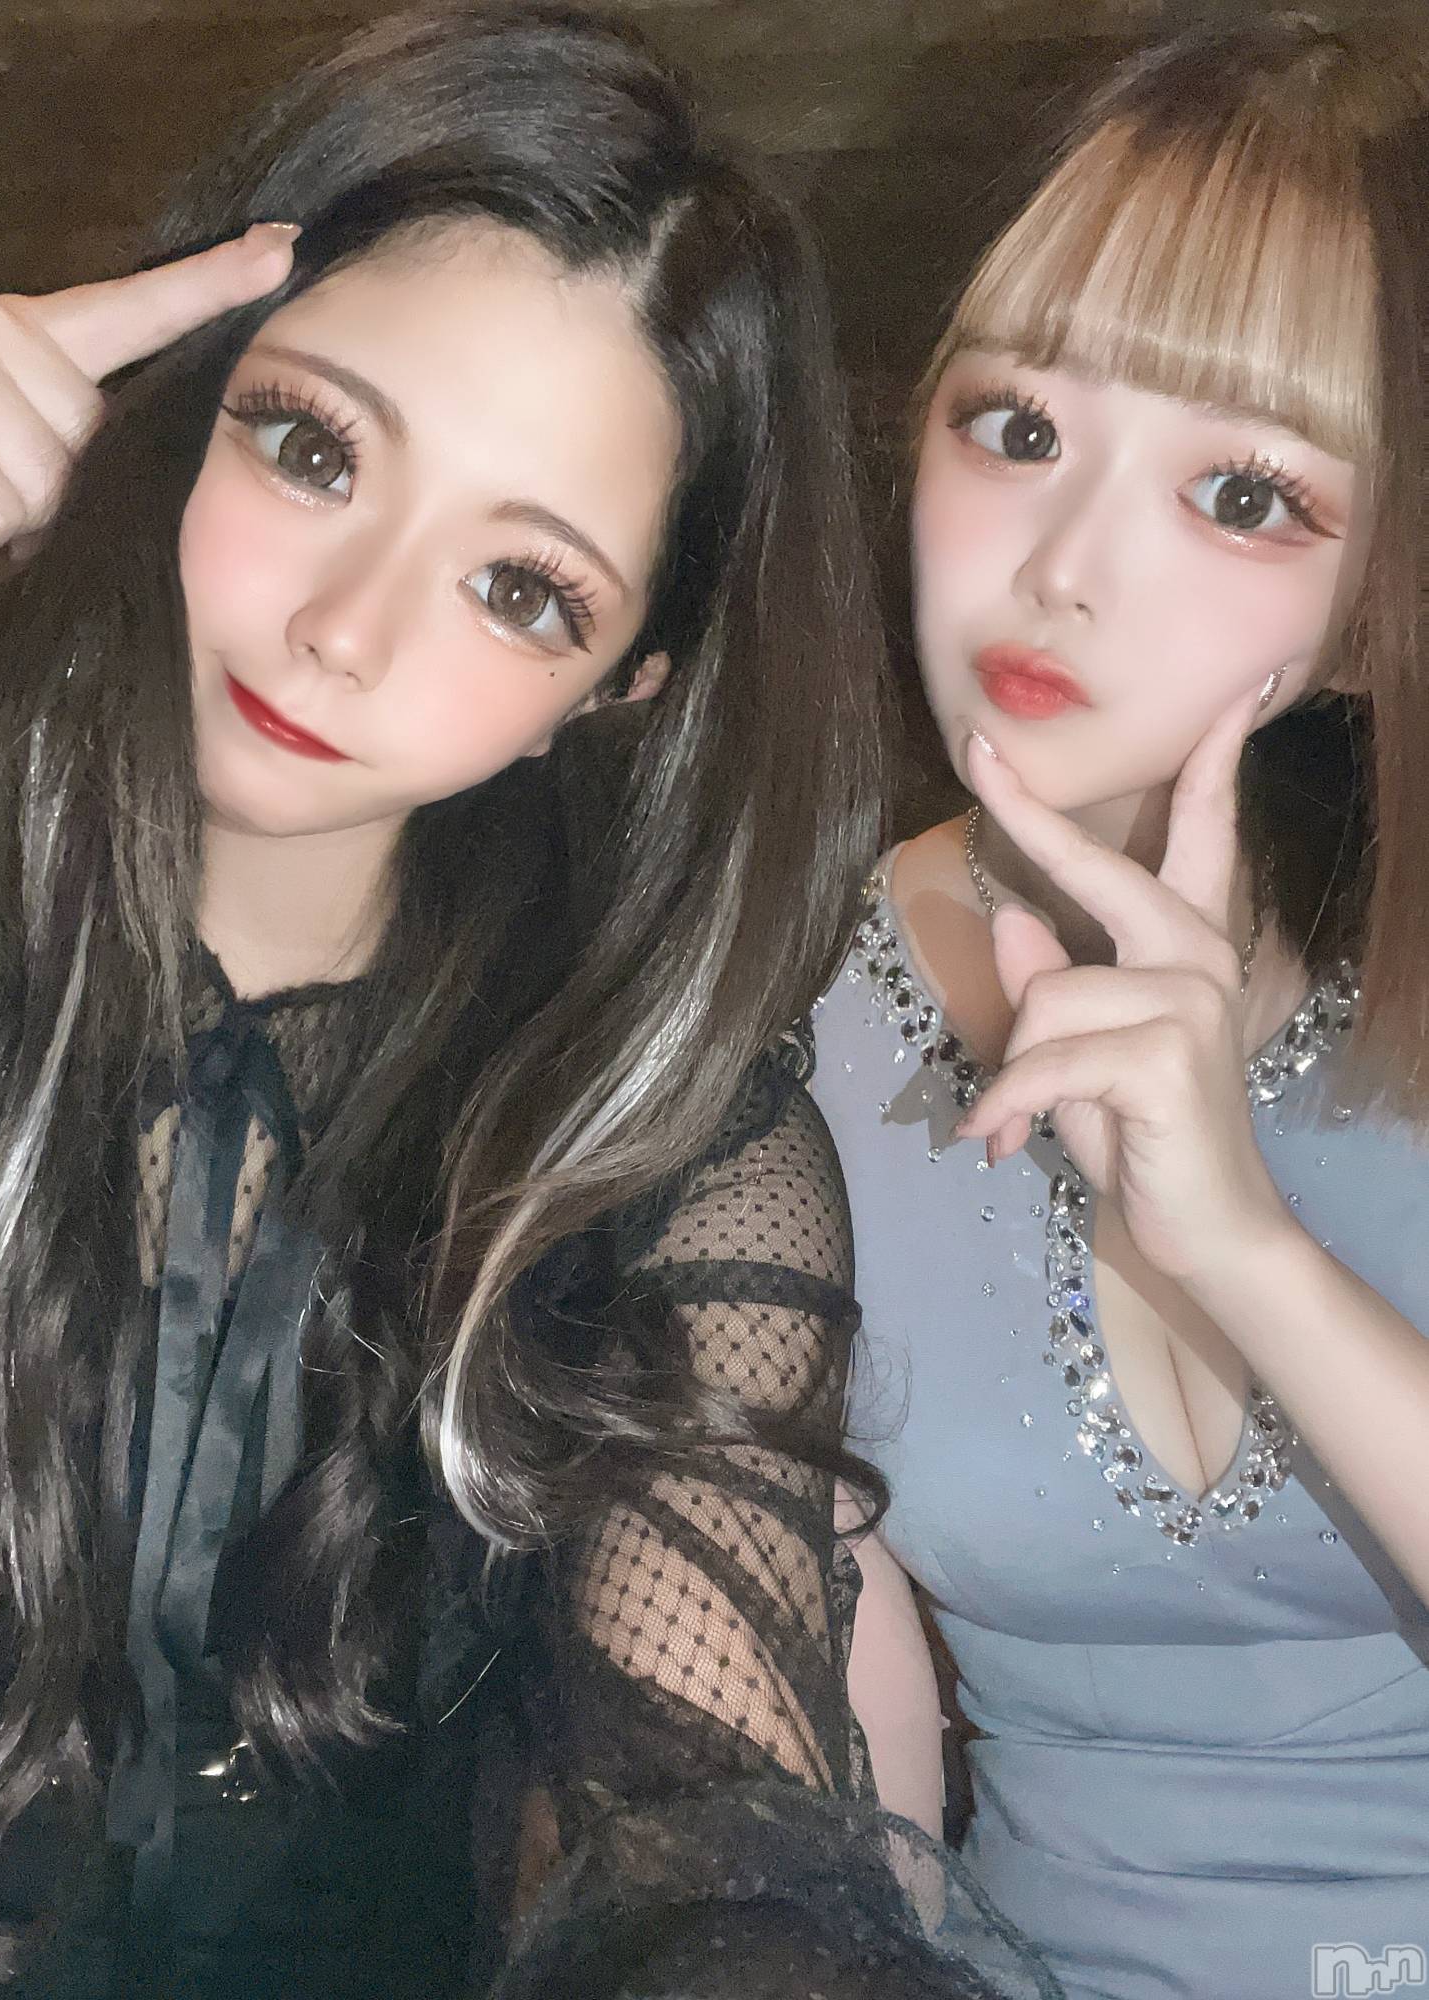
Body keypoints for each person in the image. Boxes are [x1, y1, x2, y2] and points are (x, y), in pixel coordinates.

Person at [0, 7, 1062, 1998]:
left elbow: (709, 1825)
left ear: (618, 686)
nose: (346, 629)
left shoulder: (659, 1148)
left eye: (521, 586)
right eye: (312, 448)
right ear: (180, 401)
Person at [812, 18, 1429, 2000]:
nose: (1065, 570)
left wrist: (1244, 1245)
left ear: (1383, 583)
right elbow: (845, 1803)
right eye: (1015, 429)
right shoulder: (773, 1025)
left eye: (1241, 492)